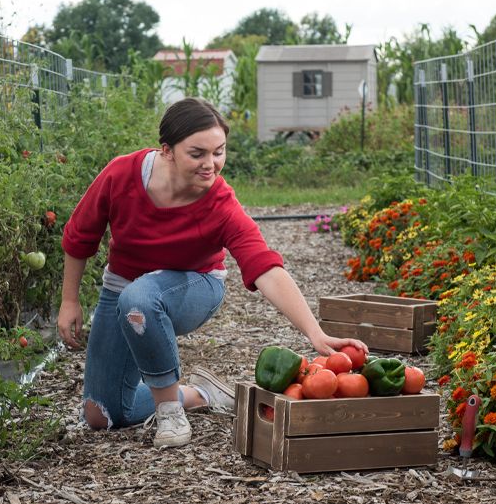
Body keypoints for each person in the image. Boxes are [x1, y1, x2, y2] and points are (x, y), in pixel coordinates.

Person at [57, 97, 368, 448]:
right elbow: (80, 235)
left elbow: (264, 266)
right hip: (124, 288)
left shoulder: (220, 203)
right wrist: (70, 300)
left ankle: (169, 412)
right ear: (167, 151)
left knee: (141, 297)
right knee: (102, 415)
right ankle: (200, 394)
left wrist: (315, 332)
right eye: (198, 154)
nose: (211, 164)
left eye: (219, 152)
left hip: (195, 285)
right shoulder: (122, 175)